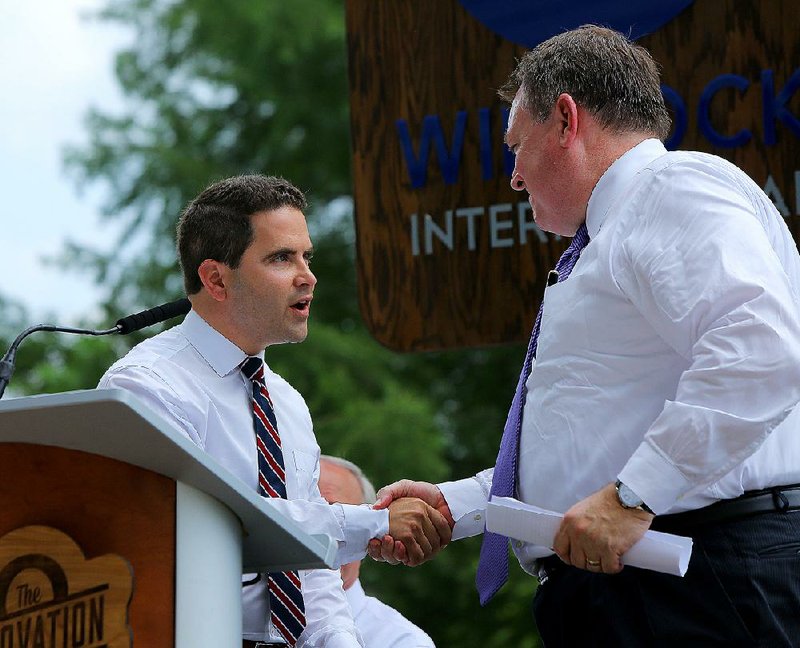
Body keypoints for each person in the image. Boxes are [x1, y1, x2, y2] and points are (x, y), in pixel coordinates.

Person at [371, 25, 800, 646]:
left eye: (516, 146)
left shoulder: (668, 188)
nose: (513, 177)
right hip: (655, 586)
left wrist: (633, 498)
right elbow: (589, 443)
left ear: (567, 120)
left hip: (695, 582)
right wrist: (457, 505)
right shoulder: (615, 228)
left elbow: (761, 349)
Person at [98, 174, 451, 648]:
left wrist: (341, 642)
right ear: (215, 279)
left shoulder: (286, 401)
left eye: (307, 256)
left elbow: (311, 567)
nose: (308, 276)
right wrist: (376, 521)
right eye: (282, 258)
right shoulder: (145, 386)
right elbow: (211, 528)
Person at [317, 456, 436, 648]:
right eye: (301, 514)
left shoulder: (400, 642)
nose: (313, 533)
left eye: (339, 518)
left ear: (370, 535)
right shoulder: (255, 617)